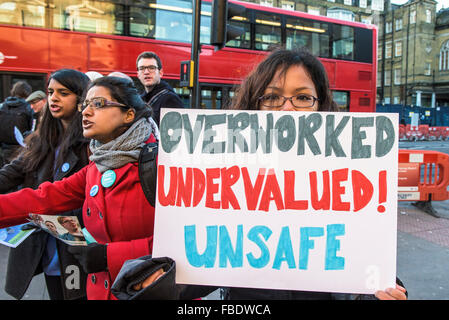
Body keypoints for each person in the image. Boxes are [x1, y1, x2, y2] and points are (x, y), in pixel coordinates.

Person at [116, 48, 407, 301]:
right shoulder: (221, 172)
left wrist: (377, 291)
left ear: (322, 105)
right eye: (272, 97)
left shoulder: (351, 174)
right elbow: (201, 261)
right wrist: (157, 278)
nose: (288, 108)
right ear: (253, 105)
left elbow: (359, 261)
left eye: (303, 97)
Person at [0, 76, 158, 300]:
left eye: (99, 104)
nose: (85, 112)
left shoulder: (162, 166)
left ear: (129, 114)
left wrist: (109, 256)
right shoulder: (97, 165)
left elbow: (185, 243)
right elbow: (45, 198)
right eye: (86, 105)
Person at [0, 69, 90, 300]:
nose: (54, 98)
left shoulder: (92, 143)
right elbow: (11, 173)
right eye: (50, 92)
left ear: (82, 98)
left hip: (78, 245)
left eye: (63, 92)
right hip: (46, 243)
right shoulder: (41, 139)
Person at [136, 51, 184, 125]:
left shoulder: (170, 99)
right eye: (142, 68)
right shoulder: (139, 99)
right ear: (138, 74)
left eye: (151, 68)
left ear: (160, 73)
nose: (146, 72)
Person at [0, 81, 34, 164]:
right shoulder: (28, 107)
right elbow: (32, 129)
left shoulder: (2, 106)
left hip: (4, 149)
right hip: (22, 149)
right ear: (27, 93)